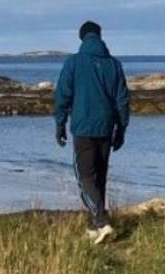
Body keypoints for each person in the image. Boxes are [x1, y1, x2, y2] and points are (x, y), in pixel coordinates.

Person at [54, 19, 131, 243]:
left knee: (84, 177)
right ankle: (93, 227)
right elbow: (122, 100)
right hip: (106, 128)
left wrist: (60, 123)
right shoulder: (113, 65)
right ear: (100, 37)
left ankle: (102, 221)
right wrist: (122, 129)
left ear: (81, 38)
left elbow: (63, 95)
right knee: (99, 178)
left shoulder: (74, 63)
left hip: (84, 128)